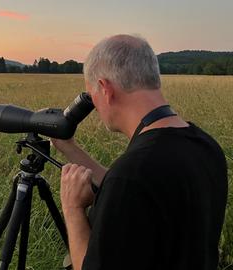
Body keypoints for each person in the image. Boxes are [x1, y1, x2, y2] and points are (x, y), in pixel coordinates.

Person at [52, 34, 228, 270]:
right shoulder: (206, 147)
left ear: (105, 89)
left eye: (91, 95)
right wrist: (69, 148)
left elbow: (128, 185)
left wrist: (72, 209)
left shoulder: (132, 174)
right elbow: (139, 192)